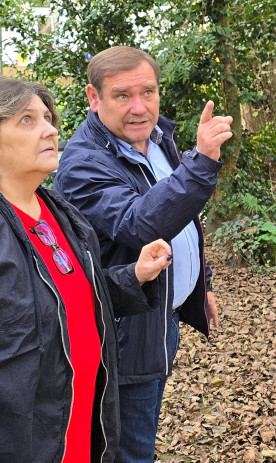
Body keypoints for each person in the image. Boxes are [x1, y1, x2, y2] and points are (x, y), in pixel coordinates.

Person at [54, 46, 233, 462]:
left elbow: (184, 218)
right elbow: (139, 223)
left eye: (148, 92)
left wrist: (199, 286)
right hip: (122, 335)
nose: (139, 107)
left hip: (160, 319)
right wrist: (202, 162)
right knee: (130, 449)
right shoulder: (83, 163)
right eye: (122, 95)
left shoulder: (156, 138)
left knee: (144, 428)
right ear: (93, 98)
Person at [0, 76, 173, 462]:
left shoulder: (62, 216)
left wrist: (135, 276)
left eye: (47, 117)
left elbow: (74, 302)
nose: (50, 129)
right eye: (26, 120)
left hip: (83, 430)